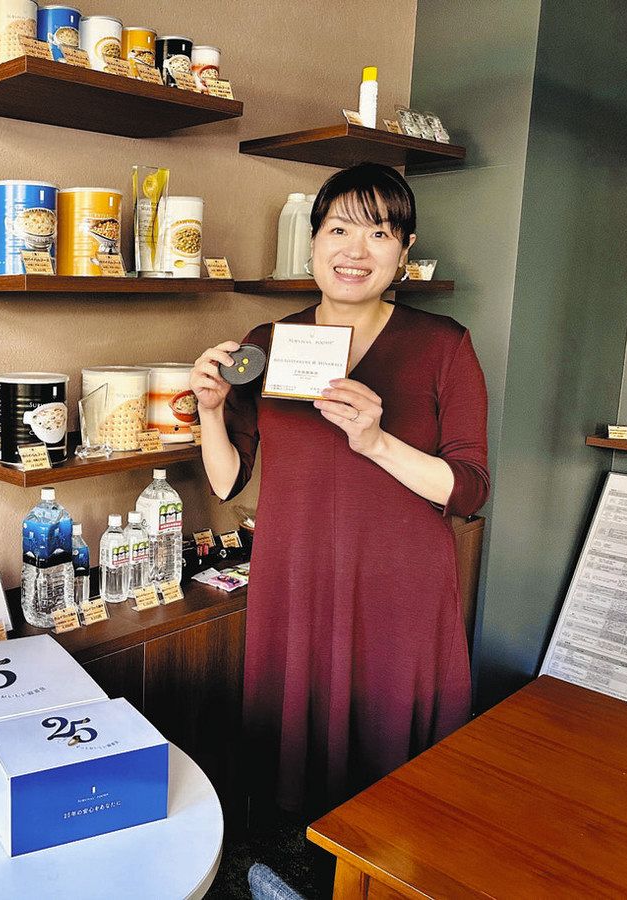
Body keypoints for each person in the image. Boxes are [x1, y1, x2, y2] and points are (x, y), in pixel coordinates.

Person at [190, 163, 489, 816]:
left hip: (399, 580)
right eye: (339, 229)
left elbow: (469, 490)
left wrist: (377, 442)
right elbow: (228, 480)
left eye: (379, 234)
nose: (356, 250)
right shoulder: (267, 344)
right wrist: (211, 411)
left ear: (405, 251)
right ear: (313, 241)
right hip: (296, 574)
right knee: (296, 764)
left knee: (391, 759)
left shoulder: (443, 345)